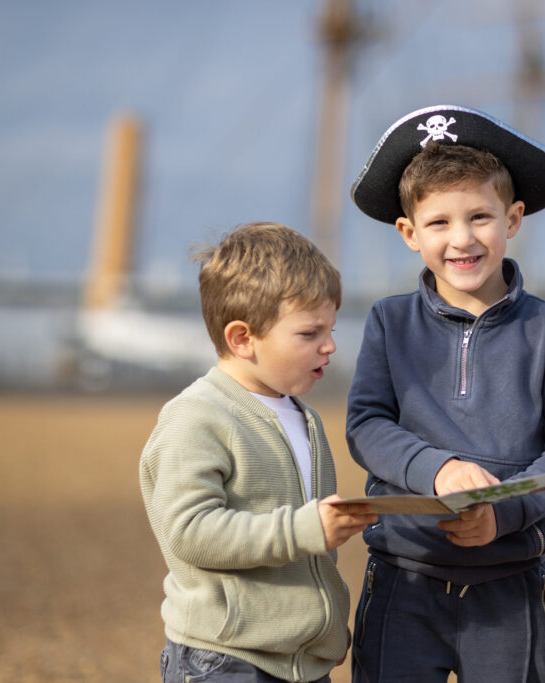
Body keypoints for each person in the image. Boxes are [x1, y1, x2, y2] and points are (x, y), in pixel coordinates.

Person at [345, 104, 545, 682]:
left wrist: (502, 513)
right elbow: (367, 425)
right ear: (408, 233)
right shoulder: (388, 322)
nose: (462, 239)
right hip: (402, 577)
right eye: (438, 223)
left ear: (513, 219)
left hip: (510, 581)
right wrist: (438, 470)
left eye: (480, 216)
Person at [139, 223, 377, 683]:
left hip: (301, 663)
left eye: (330, 328)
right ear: (242, 338)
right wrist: (305, 528)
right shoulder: (196, 416)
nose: (330, 345)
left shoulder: (301, 416)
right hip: (225, 659)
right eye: (310, 333)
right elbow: (190, 532)